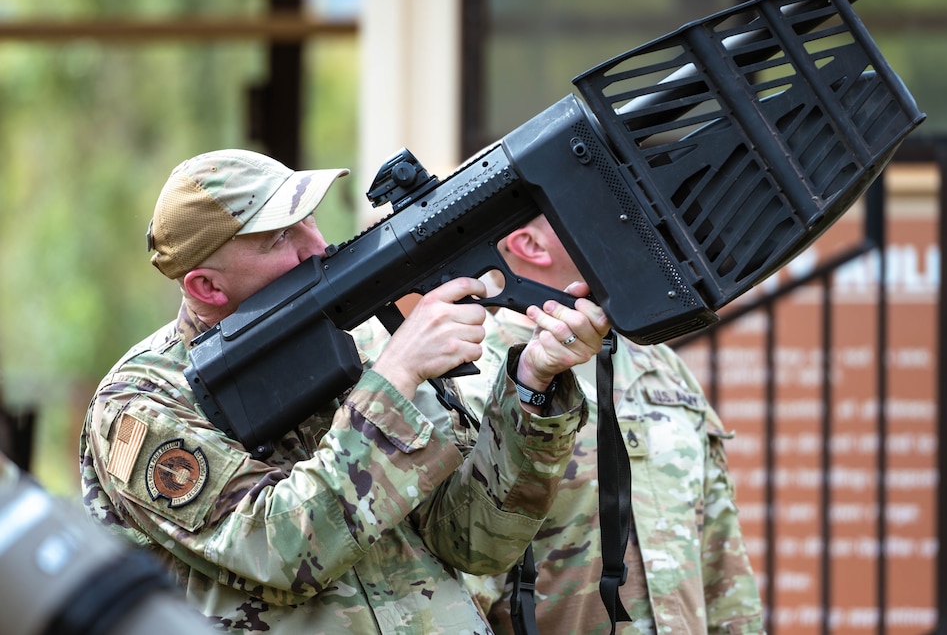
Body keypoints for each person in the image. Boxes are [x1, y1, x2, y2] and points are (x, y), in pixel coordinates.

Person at [79, 149, 611, 633]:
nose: (320, 247)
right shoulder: (140, 404)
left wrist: (533, 388)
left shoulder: (352, 349)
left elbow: (474, 538)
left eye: (309, 220)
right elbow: (279, 550)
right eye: (281, 238)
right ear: (207, 287)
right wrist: (394, 381)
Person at [459, 214, 765, 635]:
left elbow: (720, 554)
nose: (626, 224)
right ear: (531, 245)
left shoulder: (657, 362)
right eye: (582, 205)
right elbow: (462, 589)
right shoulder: (474, 380)